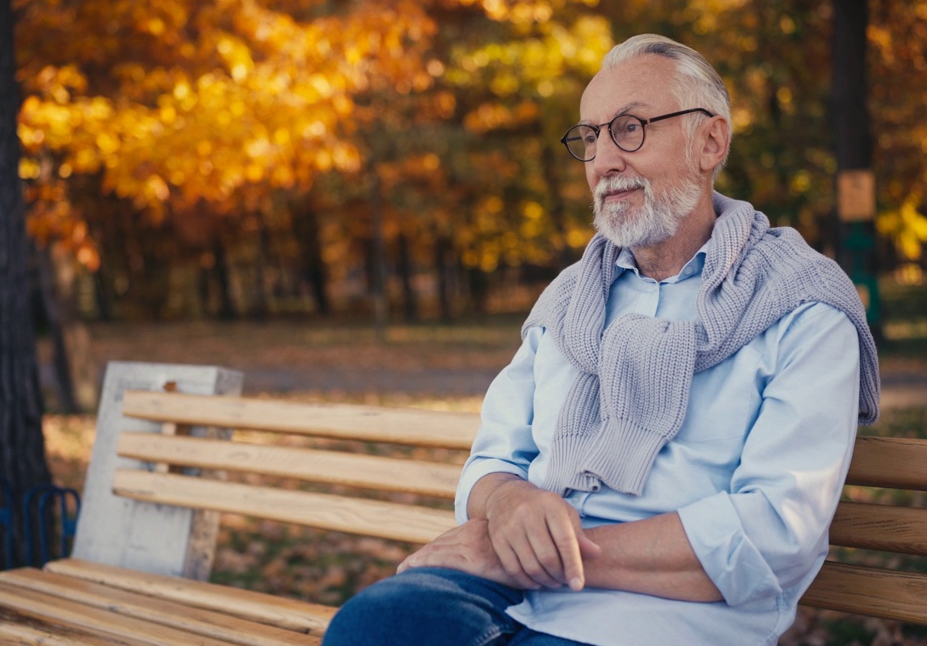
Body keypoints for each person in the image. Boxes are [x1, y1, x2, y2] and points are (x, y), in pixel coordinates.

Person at [322, 34, 880, 646]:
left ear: (710, 142)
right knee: (371, 625)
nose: (604, 160)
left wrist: (545, 552)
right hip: (515, 593)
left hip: (664, 617)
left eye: (631, 129)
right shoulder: (570, 299)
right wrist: (508, 506)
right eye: (591, 138)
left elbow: (776, 531)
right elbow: (492, 461)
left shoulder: (801, 304)